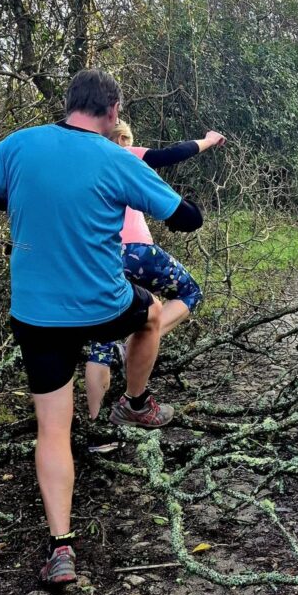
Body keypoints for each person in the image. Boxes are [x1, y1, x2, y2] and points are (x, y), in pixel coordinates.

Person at [0, 69, 203, 586]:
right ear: (113, 110)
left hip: (37, 315)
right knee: (151, 313)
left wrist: (6, 195)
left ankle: (61, 548)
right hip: (104, 305)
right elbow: (187, 218)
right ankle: (136, 403)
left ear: (68, 104)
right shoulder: (117, 159)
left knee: (53, 429)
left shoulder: (20, 146)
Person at [84, 121, 225, 428]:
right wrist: (209, 140)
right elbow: (171, 154)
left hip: (98, 258)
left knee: (101, 341)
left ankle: (96, 428)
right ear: (122, 138)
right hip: (136, 252)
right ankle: (135, 349)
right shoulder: (122, 154)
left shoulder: (83, 163)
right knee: (190, 292)